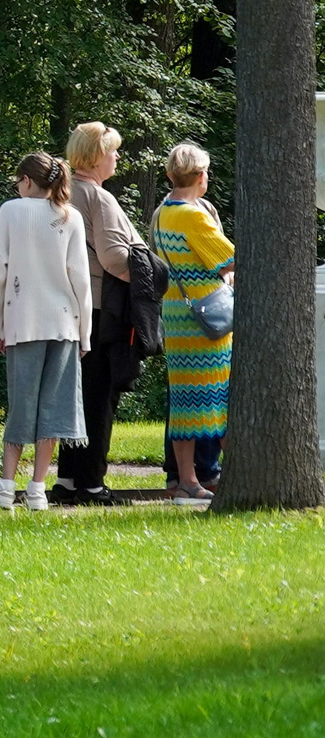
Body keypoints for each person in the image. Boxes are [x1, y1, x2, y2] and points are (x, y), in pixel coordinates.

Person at [0, 152, 91, 511]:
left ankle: (5, 486)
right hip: (64, 325)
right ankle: (38, 488)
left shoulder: (11, 211)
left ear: (27, 181)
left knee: (21, 404)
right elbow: (81, 279)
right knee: (54, 410)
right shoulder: (69, 216)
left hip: (21, 322)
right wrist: (85, 333)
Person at [56, 122, 143, 505]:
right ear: (95, 156)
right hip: (103, 308)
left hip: (69, 307)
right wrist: (147, 274)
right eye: (113, 150)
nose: (118, 157)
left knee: (76, 394)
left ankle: (69, 479)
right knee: (101, 396)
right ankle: (92, 482)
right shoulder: (99, 198)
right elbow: (114, 258)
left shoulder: (62, 193)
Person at [152, 142, 233, 504]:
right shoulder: (194, 216)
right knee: (220, 397)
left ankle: (184, 479)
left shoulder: (161, 214)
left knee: (185, 399)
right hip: (207, 318)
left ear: (171, 175)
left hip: (176, 314)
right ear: (201, 176)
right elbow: (230, 261)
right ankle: (225, 475)